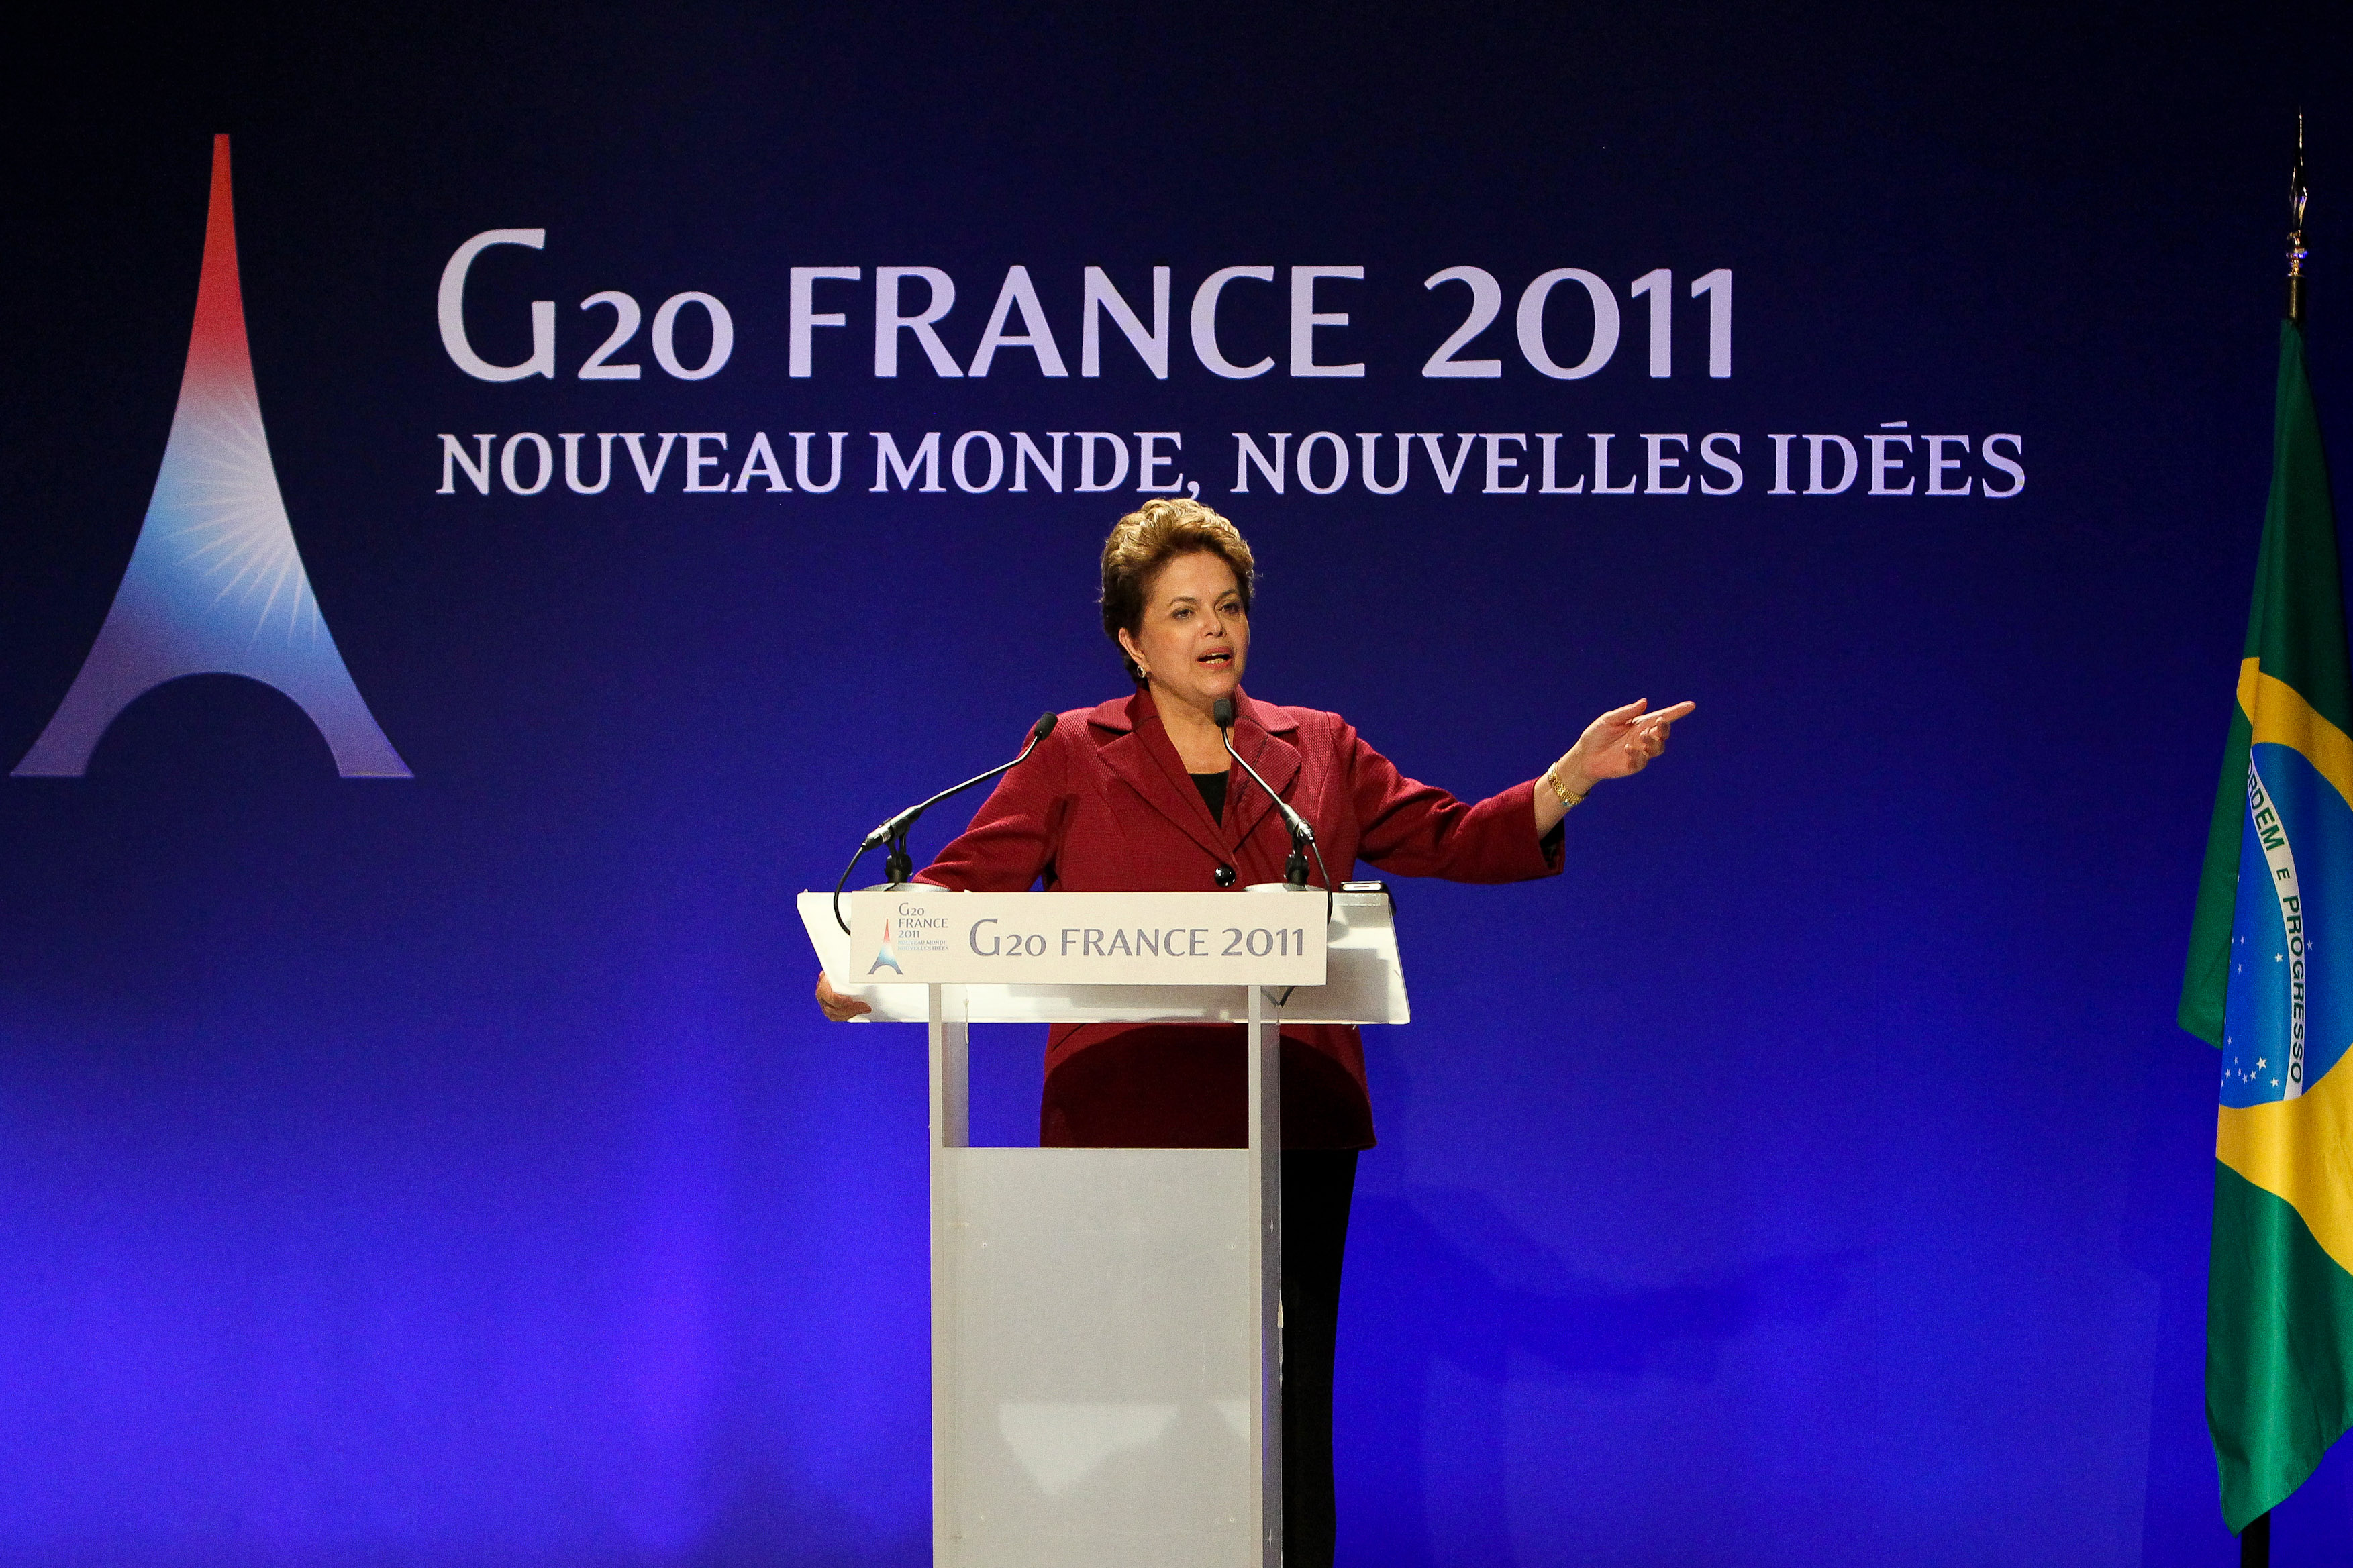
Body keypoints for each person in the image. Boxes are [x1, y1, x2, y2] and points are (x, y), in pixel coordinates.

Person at [815, 497, 1689, 1567]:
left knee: (1284, 1393)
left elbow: (1449, 834)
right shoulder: (1069, 751)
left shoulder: (1315, 745)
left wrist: (1569, 779)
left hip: (1293, 1117)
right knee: (1138, 1397)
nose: (1214, 629)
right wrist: (870, 955)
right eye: (1182, 611)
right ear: (1132, 640)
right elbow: (967, 875)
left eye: (1227, 606)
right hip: (1126, 1113)